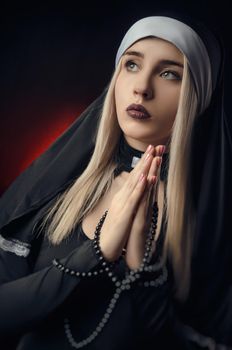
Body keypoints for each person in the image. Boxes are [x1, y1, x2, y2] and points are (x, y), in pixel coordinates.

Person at [0, 12, 231, 350]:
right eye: (132, 65)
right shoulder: (53, 188)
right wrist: (96, 253)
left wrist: (141, 263)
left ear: (199, 97)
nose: (142, 87)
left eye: (170, 74)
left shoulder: (213, 218)